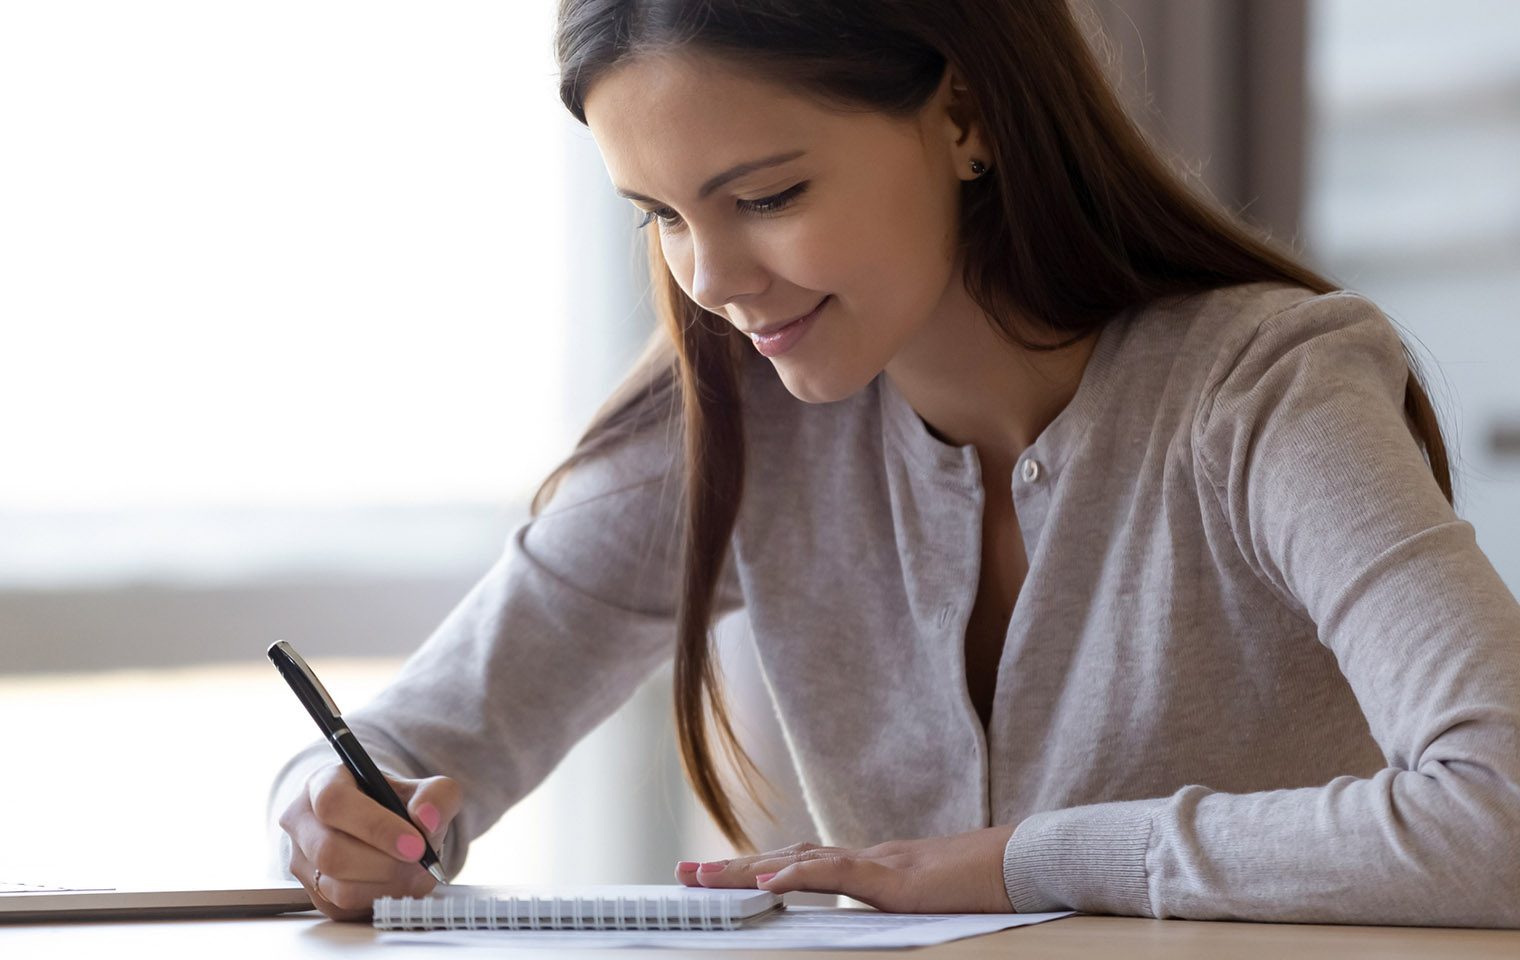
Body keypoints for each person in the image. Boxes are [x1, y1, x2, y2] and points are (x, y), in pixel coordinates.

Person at [270, 0, 1520, 928]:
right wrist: (333, 810)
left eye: (765, 195)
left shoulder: (1266, 389)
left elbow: (1502, 812)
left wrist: (1020, 858)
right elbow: (398, 747)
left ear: (965, 118)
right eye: (659, 216)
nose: (709, 283)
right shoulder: (726, 417)